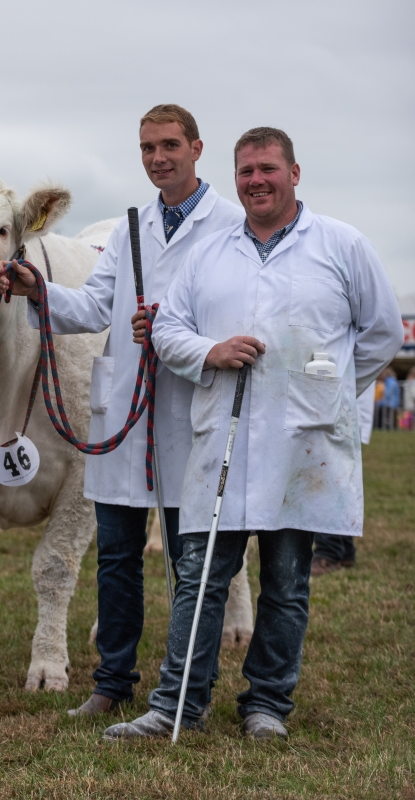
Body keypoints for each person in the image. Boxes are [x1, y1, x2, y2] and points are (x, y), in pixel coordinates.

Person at [105, 127, 403, 742]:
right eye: (246, 171)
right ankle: (177, 705)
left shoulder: (342, 245)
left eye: (268, 168)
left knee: (287, 582)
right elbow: (168, 330)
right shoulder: (208, 254)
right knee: (199, 577)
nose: (256, 181)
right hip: (223, 438)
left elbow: (382, 333)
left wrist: (326, 388)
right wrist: (209, 352)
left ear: (294, 173)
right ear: (235, 178)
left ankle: (267, 705)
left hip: (303, 444)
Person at [0, 104, 243, 717]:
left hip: (196, 407)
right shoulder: (133, 226)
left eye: (169, 145)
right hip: (128, 410)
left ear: (196, 148)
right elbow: (91, 307)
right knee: (116, 558)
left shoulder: (232, 225)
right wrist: (37, 290)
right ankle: (112, 683)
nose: (158, 158)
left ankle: (188, 688)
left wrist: (176, 329)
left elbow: (242, 312)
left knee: (193, 564)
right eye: (147, 148)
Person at [311, 387, 376, 575]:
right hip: (339, 405)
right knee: (339, 480)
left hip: (335, 405)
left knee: (325, 480)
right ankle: (345, 549)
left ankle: (329, 550)